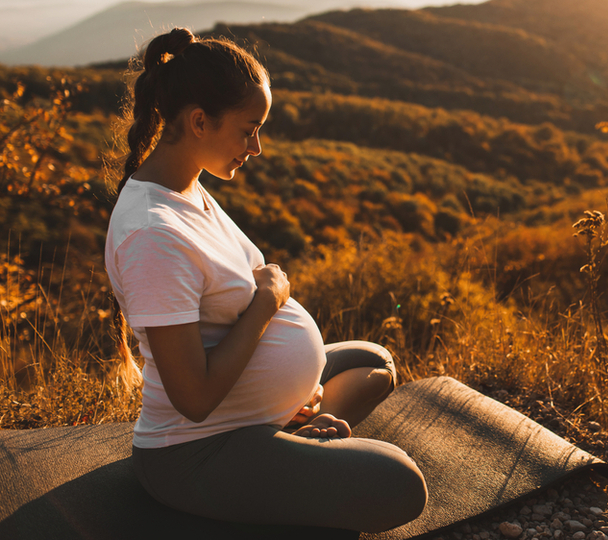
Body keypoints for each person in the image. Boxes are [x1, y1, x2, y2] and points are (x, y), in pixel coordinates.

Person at [104, 27, 427, 533]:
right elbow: (193, 399)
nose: (256, 147)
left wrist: (284, 382)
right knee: (401, 483)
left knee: (375, 362)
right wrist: (268, 301)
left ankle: (292, 429)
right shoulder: (153, 234)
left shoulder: (189, 188)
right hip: (197, 452)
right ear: (198, 121)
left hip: (245, 413)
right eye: (249, 129)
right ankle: (288, 442)